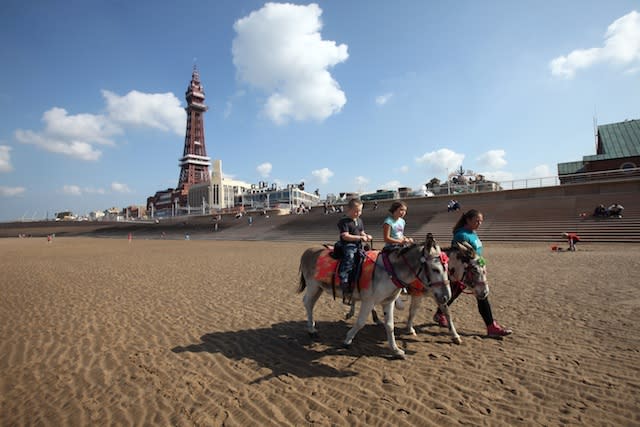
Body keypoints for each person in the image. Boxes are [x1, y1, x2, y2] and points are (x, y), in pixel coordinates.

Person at [433, 209, 512, 338]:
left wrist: (480, 263)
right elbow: (457, 254)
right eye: (476, 220)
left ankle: (439, 313)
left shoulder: (472, 233)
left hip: (476, 268)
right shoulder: (461, 235)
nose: (479, 223)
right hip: (468, 271)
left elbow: (476, 253)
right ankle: (491, 327)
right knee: (481, 296)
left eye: (481, 221)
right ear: (468, 220)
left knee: (454, 293)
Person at [337, 198, 372, 304]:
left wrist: (366, 236)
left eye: (360, 211)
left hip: (358, 244)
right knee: (350, 257)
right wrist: (360, 238)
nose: (358, 213)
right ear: (349, 210)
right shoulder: (344, 221)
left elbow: (362, 232)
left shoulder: (359, 221)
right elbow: (345, 236)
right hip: (347, 245)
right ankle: (344, 278)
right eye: (356, 211)